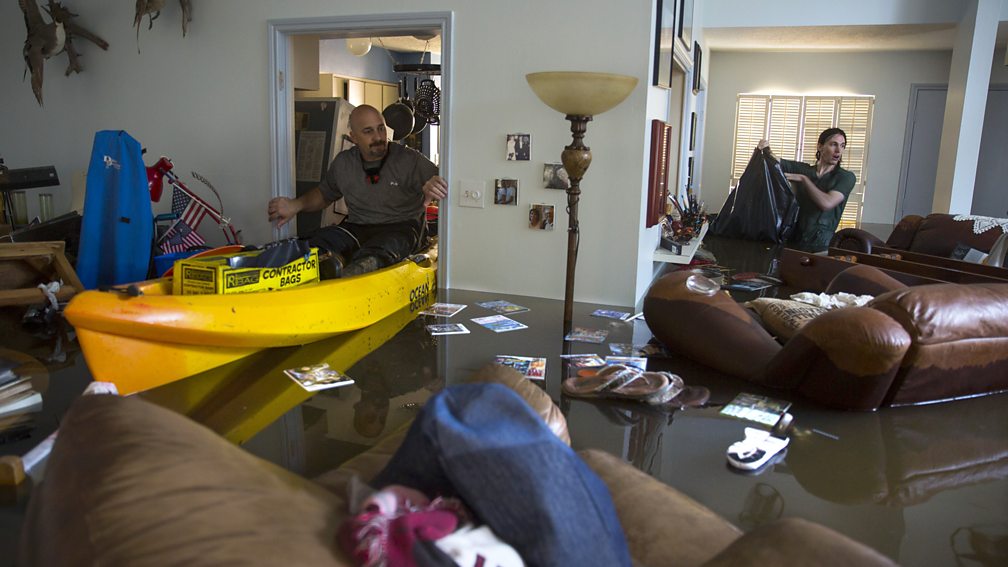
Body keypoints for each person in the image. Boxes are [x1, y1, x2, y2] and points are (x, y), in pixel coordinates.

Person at [267, 105, 448, 277]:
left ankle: (350, 274)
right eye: (368, 131)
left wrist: (436, 185)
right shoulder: (344, 163)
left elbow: (446, 184)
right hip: (357, 228)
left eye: (381, 129)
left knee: (377, 254)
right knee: (315, 245)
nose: (378, 137)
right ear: (353, 137)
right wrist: (295, 205)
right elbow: (324, 194)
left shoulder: (410, 160)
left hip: (402, 229)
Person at [758, 127, 856, 252]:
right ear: (820, 146)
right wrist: (765, 148)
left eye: (842, 146)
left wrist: (804, 180)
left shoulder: (846, 177)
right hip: (792, 240)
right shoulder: (804, 169)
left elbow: (827, 203)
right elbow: (774, 161)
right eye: (833, 144)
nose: (838, 150)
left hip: (821, 245)